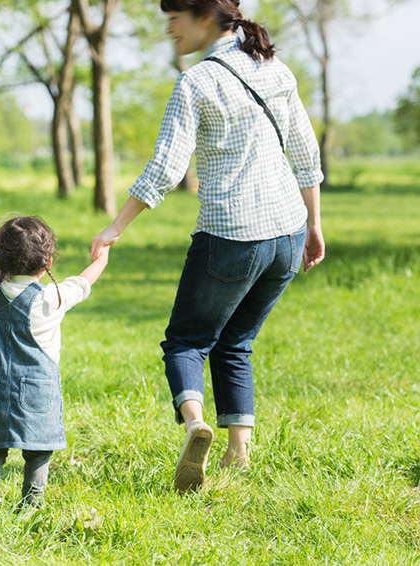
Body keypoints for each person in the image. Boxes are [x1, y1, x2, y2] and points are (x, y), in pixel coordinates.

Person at [91, 0, 325, 493]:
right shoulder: (273, 66)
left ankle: (196, 423)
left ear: (205, 18)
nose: (169, 28)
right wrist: (314, 225)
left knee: (187, 341)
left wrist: (115, 227)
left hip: (231, 236)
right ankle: (237, 453)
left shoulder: (195, 82)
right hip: (286, 233)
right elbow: (305, 151)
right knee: (236, 342)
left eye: (175, 16)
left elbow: (165, 168)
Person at [0, 207, 109, 525]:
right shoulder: (52, 297)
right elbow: (82, 283)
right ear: (48, 263)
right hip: (40, 390)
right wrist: (101, 260)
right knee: (40, 447)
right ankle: (32, 499)